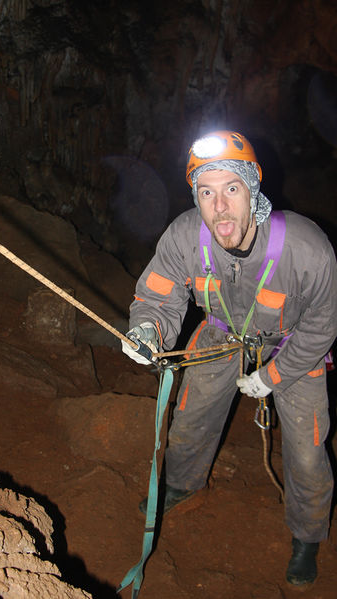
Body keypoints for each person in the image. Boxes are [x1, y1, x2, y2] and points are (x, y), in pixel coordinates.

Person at [122, 130, 337, 587]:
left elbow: (322, 326)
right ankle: (181, 483)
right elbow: (157, 297)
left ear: (253, 190)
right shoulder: (184, 237)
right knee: (191, 413)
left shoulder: (308, 249)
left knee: (306, 447)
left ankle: (307, 534)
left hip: (292, 346)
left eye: (231, 189)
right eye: (206, 192)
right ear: (196, 199)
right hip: (222, 335)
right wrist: (148, 330)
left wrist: (273, 375)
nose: (219, 206)